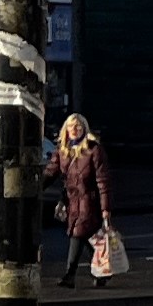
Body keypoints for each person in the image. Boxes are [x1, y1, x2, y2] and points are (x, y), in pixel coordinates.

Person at [50, 113, 119, 286]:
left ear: (84, 129)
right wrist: (35, 185)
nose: (74, 129)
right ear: (66, 129)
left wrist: (106, 209)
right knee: (88, 238)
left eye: (78, 126)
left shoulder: (94, 150)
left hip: (89, 202)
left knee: (77, 234)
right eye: (71, 126)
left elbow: (103, 181)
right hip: (72, 202)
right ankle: (102, 272)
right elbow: (51, 171)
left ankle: (69, 275)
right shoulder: (62, 150)